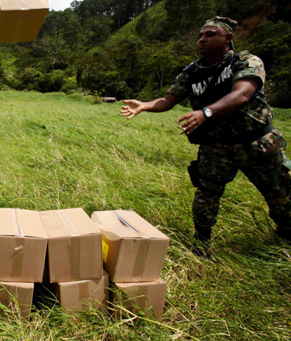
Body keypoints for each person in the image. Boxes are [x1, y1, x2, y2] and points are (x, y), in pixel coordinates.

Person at [120, 17, 291, 251]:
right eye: (201, 35)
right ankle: (201, 243)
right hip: (216, 146)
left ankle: (286, 237)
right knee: (206, 195)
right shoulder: (193, 71)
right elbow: (169, 99)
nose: (202, 39)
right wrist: (145, 105)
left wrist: (206, 112)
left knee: (281, 192)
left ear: (227, 38)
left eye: (210, 34)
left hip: (257, 142)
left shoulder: (245, 62)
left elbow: (242, 94)